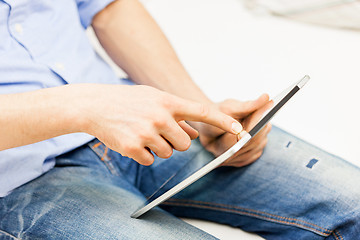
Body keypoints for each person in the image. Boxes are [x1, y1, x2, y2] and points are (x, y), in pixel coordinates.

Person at [0, 0, 359, 239]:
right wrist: (83, 105)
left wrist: (202, 114)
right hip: (16, 178)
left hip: (138, 119)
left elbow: (107, 8)